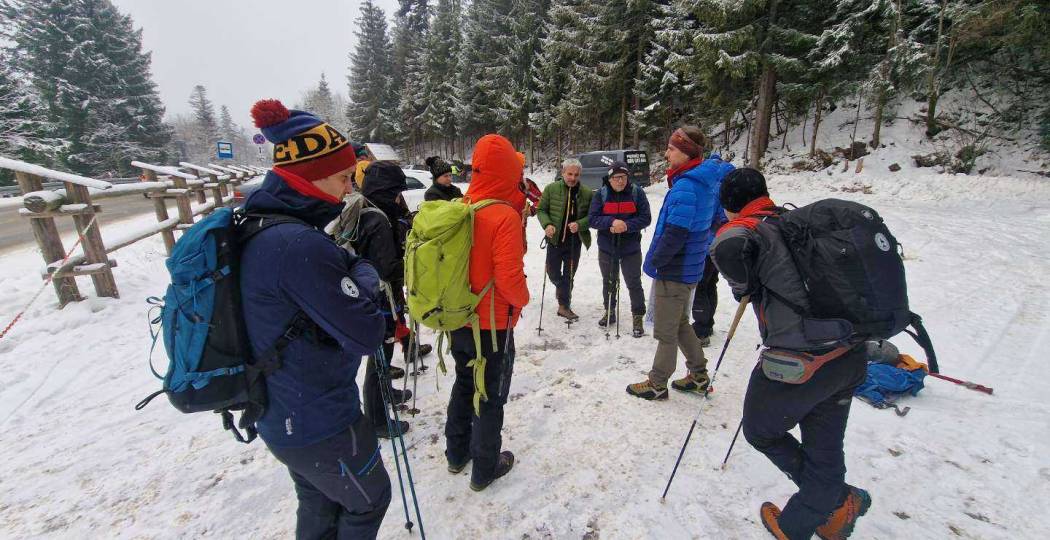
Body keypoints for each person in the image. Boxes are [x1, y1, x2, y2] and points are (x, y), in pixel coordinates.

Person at [241, 98, 390, 539]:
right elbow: (368, 331)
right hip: (319, 418)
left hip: (281, 409)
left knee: (320, 500)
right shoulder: (298, 246)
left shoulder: (263, 224)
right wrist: (362, 269)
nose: (349, 189)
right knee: (369, 500)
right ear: (312, 175)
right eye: (345, 177)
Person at [709, 168, 870, 540]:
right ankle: (807, 520)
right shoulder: (795, 224)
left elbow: (727, 247)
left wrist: (743, 280)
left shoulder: (749, 228)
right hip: (849, 354)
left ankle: (832, 497)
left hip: (800, 364)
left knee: (760, 430)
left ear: (730, 205)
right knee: (824, 443)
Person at [444, 134, 530, 492]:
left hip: (457, 317)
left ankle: (456, 453)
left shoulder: (462, 206)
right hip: (493, 324)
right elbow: (509, 280)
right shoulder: (503, 216)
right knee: (490, 395)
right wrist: (522, 300)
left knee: (465, 384)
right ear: (508, 170)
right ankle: (484, 468)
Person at [627, 126, 734, 400]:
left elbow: (676, 232)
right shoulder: (704, 182)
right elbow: (714, 222)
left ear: (687, 154)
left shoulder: (687, 185)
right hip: (690, 266)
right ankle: (699, 375)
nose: (666, 153)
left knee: (666, 330)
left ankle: (657, 382)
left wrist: (655, 261)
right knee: (681, 323)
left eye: (672, 149)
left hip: (675, 268)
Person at [352, 161, 421, 438]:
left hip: (375, 297)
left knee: (382, 356)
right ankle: (377, 420)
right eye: (396, 192)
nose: (399, 199)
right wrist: (413, 264)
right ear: (384, 190)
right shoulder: (378, 221)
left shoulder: (369, 211)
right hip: (380, 300)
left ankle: (386, 393)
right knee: (380, 359)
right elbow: (386, 267)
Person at [587, 160, 651, 337]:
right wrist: (611, 222)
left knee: (634, 282)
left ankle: (637, 316)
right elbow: (592, 219)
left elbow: (646, 218)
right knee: (608, 281)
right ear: (610, 179)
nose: (620, 181)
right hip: (607, 246)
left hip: (631, 247)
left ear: (627, 177)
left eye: (623, 177)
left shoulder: (637, 193)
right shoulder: (601, 194)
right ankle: (610, 311)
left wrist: (626, 225)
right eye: (616, 178)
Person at [536, 158, 593, 321]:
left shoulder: (587, 193)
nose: (572, 178)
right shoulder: (551, 189)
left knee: (569, 276)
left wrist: (580, 224)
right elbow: (541, 210)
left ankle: (564, 306)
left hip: (574, 242)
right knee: (552, 273)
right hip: (554, 241)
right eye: (569, 174)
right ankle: (562, 289)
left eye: (576, 175)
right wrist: (547, 225)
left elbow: (593, 217)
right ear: (563, 173)